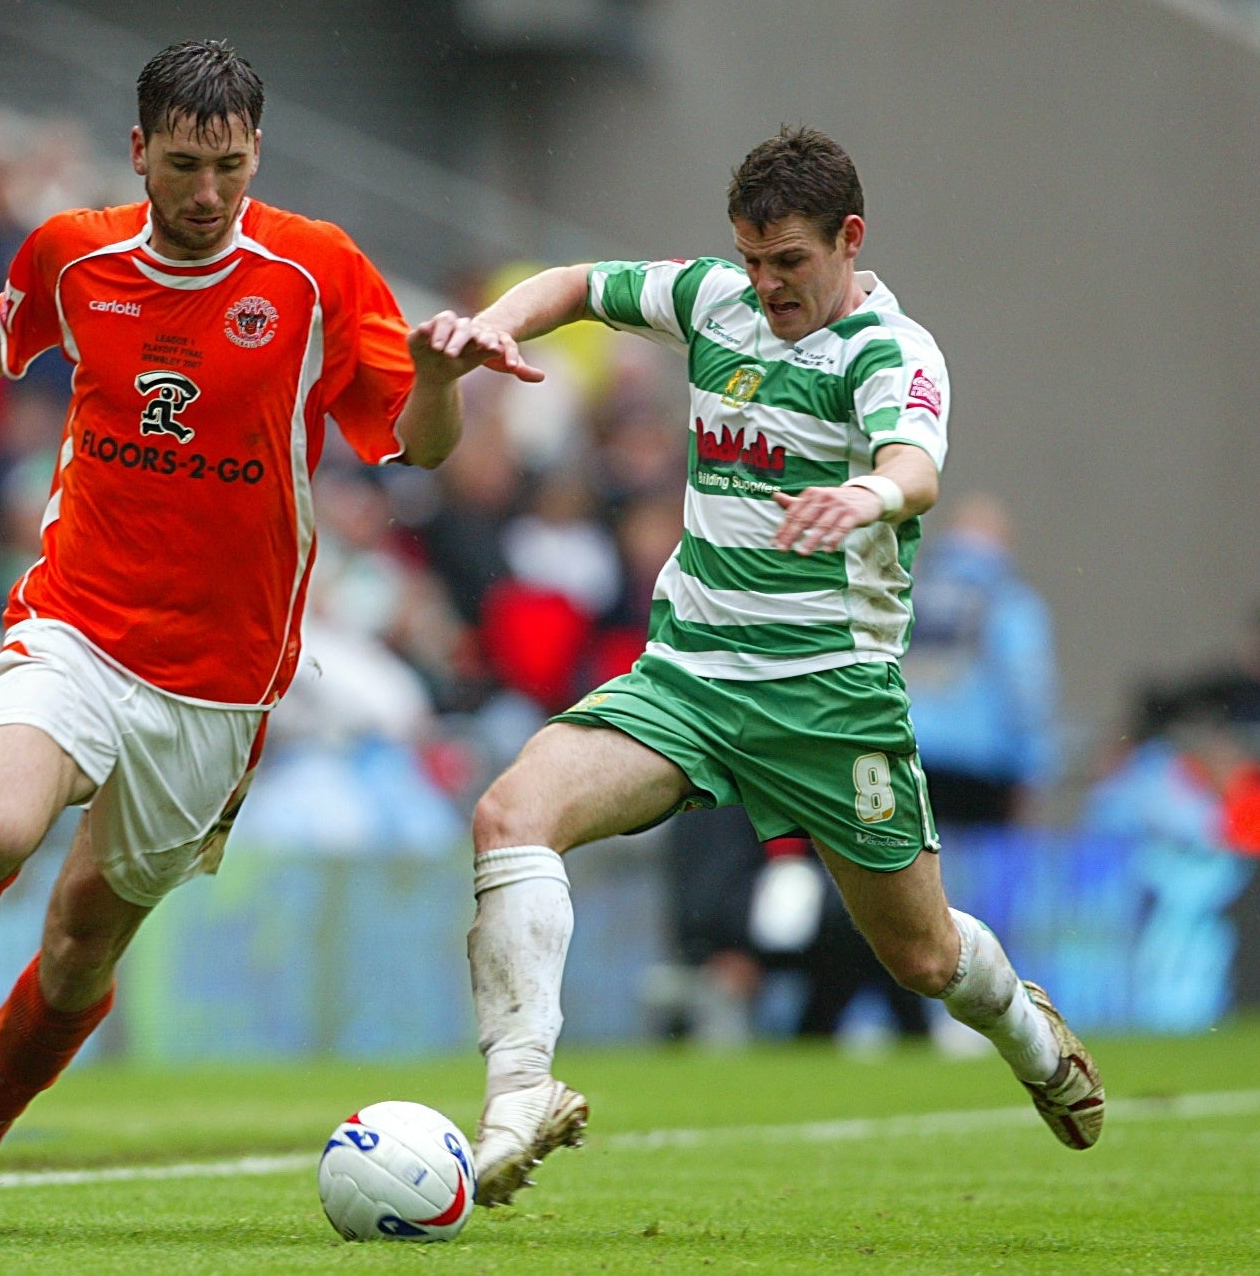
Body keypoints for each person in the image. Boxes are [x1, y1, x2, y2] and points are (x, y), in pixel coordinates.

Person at [0, 40, 529, 1230]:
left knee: (79, 947)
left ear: (256, 155)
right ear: (138, 153)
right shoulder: (76, 253)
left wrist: (440, 379)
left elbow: (420, 446)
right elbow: (2, 325)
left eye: (229, 167)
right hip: (78, 622)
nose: (207, 193)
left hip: (220, 687)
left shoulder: (317, 273)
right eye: (182, 165)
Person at [422, 126, 1105, 1207]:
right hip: (688, 672)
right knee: (509, 813)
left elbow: (914, 465)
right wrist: (492, 328)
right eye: (750, 258)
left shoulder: (891, 350)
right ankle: (518, 1098)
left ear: (849, 239)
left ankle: (1028, 1029)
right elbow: (572, 283)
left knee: (923, 960)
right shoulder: (714, 302)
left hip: (829, 695)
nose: (766, 284)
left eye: (787, 261)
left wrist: (869, 495)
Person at [902, 493, 1059, 827]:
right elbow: (1026, 688)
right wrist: (1032, 769)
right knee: (968, 873)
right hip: (980, 767)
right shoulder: (1008, 600)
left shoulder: (908, 590)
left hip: (904, 754)